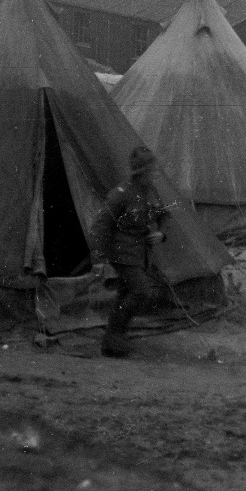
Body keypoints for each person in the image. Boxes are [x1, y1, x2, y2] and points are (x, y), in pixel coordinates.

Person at [88, 145, 168, 358]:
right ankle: (113, 337)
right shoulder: (120, 194)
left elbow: (163, 215)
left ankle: (114, 341)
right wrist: (98, 258)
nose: (155, 175)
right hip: (122, 252)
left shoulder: (150, 192)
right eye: (151, 171)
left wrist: (161, 233)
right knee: (141, 291)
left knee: (127, 293)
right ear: (141, 172)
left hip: (141, 253)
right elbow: (101, 226)